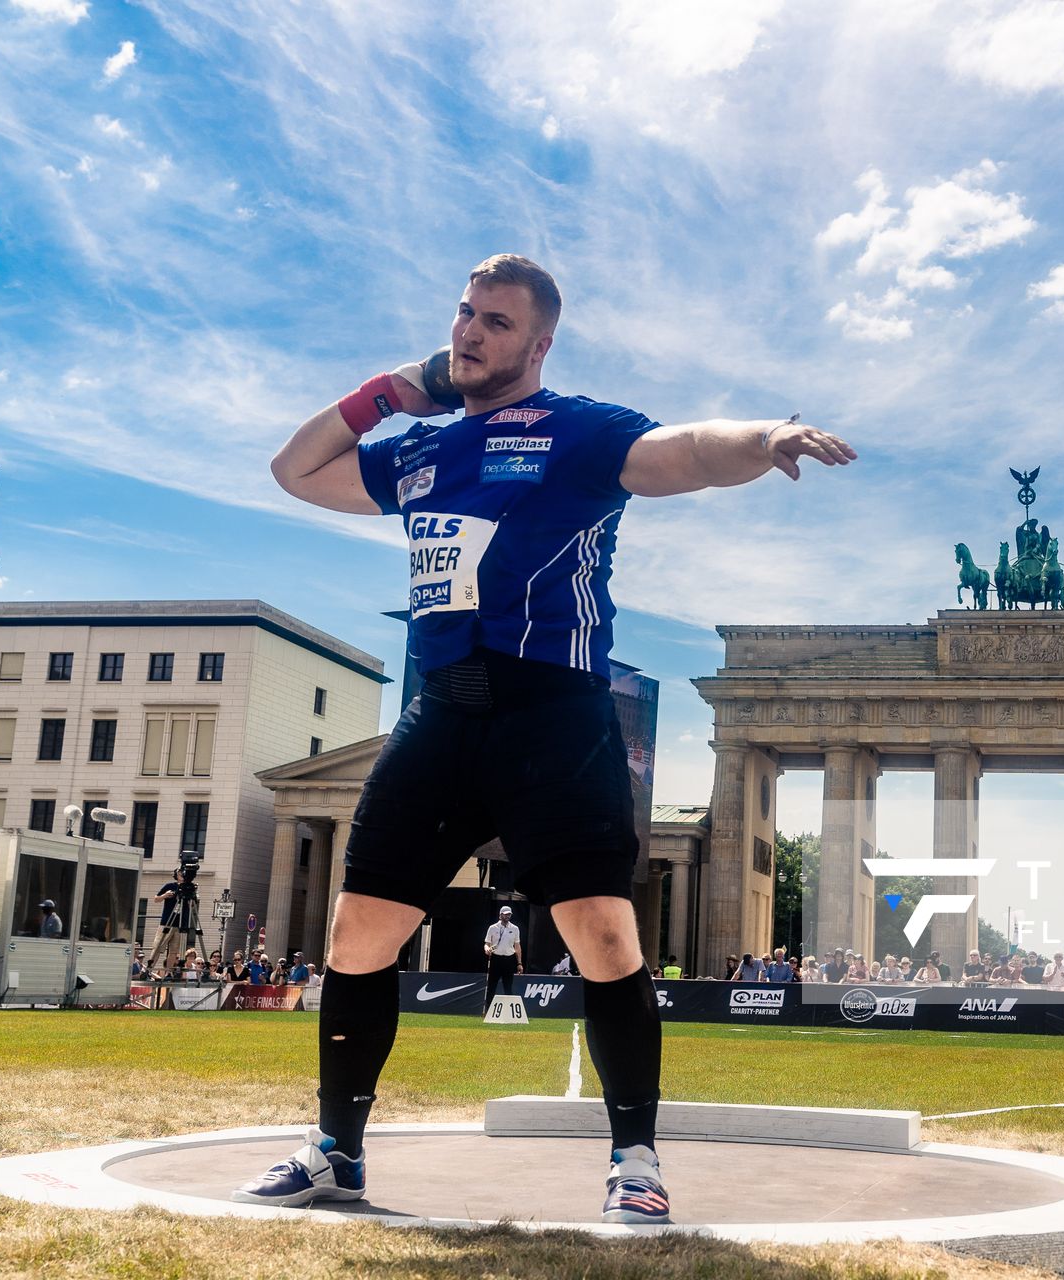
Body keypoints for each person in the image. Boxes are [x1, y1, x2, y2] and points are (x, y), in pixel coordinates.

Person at [234, 254, 856, 1225]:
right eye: (464, 314)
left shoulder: (575, 429)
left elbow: (684, 450)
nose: (470, 332)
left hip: (553, 715)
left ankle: (636, 1158)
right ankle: (335, 1151)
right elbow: (295, 470)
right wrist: (390, 393)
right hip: (441, 713)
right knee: (357, 934)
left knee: (604, 934)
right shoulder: (422, 446)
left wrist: (764, 434)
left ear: (539, 343)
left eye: (495, 321)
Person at [482, 906, 523, 1008]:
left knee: (508, 987)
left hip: (509, 960)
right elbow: (487, 943)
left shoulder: (515, 928)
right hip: (496, 959)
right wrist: (486, 949)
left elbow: (517, 946)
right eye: (505, 914)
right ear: (500, 915)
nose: (507, 916)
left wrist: (519, 963)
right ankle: (488, 1011)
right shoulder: (492, 928)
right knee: (491, 986)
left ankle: (508, 1012)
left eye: (509, 914)